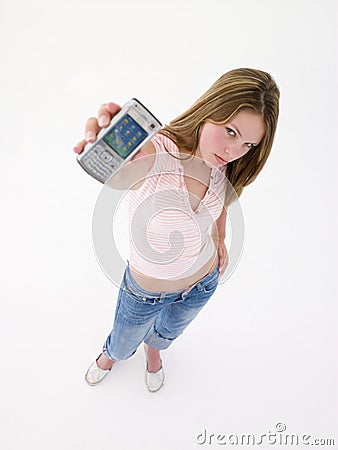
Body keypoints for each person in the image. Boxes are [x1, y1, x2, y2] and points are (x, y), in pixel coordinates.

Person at [73, 68, 280, 392]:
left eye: (248, 144)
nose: (234, 150)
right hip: (144, 293)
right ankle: (110, 356)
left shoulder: (223, 166)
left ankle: (154, 351)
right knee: (123, 342)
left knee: (166, 334)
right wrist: (111, 141)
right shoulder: (159, 151)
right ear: (211, 108)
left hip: (201, 285)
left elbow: (222, 199)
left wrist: (218, 236)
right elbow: (134, 164)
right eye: (230, 131)